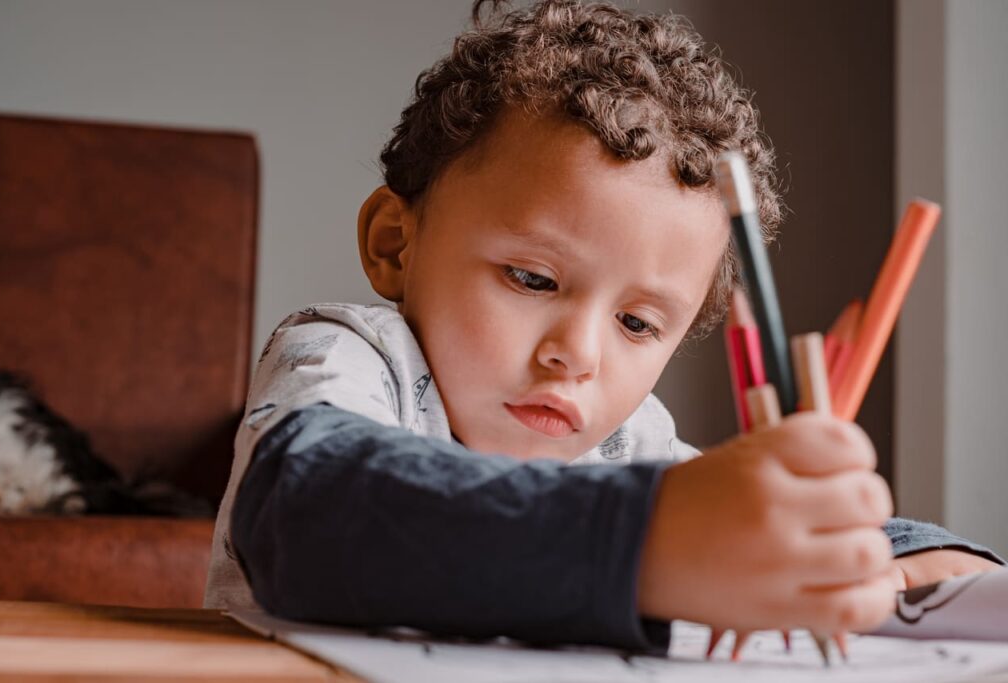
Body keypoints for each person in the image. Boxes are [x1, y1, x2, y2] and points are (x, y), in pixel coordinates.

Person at [205, 0, 1002, 651]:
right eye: (532, 278)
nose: (577, 355)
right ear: (394, 242)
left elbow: (775, 526)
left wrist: (899, 559)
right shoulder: (348, 355)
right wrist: (655, 540)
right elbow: (306, 509)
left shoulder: (625, 439)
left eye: (637, 322)